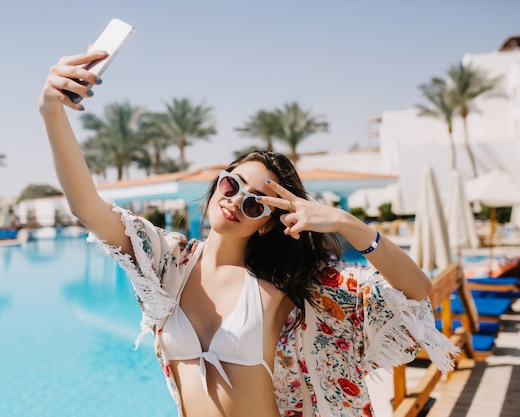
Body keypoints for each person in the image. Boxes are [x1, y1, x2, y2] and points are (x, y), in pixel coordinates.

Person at [39, 50, 457, 417]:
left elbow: (417, 293)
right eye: (231, 184)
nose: (236, 201)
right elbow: (87, 207)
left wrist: (347, 224)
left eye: (256, 202)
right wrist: (51, 112)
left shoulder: (282, 288)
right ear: (217, 184)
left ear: (268, 222)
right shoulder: (168, 263)